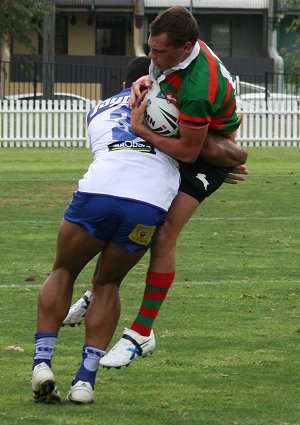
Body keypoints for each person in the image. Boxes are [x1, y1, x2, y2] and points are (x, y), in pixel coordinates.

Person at [63, 6, 248, 370]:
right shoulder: (173, 51)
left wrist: (142, 130)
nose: (152, 57)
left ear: (185, 48)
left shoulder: (199, 87)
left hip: (203, 152)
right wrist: (144, 80)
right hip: (185, 135)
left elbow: (190, 150)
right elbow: (161, 82)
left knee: (161, 235)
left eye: (159, 52)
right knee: (138, 218)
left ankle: (141, 333)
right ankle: (96, 290)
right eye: (151, 48)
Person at [31, 56, 181, 405]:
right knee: (108, 283)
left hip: (99, 190)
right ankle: (85, 381)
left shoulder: (98, 107)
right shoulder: (173, 102)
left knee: (65, 269)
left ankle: (42, 362)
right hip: (147, 202)